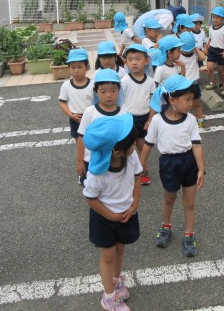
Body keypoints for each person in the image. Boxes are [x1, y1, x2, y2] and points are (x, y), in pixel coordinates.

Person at [139, 75, 205, 257]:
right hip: (168, 164)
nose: (191, 103)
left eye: (192, 99)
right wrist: (140, 168)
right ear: (172, 99)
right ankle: (166, 226)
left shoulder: (190, 120)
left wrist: (201, 168)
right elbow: (147, 146)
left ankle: (189, 233)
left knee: (189, 202)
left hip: (188, 162)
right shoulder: (158, 121)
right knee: (169, 198)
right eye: (187, 99)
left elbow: (197, 145)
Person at [82, 114, 142, 311]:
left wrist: (134, 205)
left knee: (121, 248)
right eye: (132, 142)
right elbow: (90, 197)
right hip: (104, 218)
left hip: (126, 213)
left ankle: (116, 280)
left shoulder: (130, 156)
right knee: (108, 254)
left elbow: (138, 176)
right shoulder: (98, 173)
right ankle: (108, 296)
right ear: (116, 151)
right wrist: (110, 215)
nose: (135, 144)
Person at [77, 69, 125, 186]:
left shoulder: (124, 113)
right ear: (96, 91)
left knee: (112, 190)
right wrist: (79, 161)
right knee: (93, 190)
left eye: (113, 91)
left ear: (119, 90)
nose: (109, 95)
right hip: (92, 160)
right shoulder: (90, 112)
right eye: (103, 92)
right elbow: (81, 137)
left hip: (115, 161)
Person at [121, 44, 156, 186]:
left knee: (142, 146)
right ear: (126, 62)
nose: (134, 62)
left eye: (138, 59)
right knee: (127, 147)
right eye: (130, 59)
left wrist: (150, 119)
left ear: (146, 60)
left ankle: (142, 170)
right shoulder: (125, 81)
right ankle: (125, 172)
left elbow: (153, 103)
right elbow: (119, 102)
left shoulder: (150, 82)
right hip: (128, 119)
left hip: (144, 118)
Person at [58, 48, 93, 141]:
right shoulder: (66, 85)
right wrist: (71, 115)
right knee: (79, 143)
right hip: (75, 118)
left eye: (80, 67)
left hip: (91, 117)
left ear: (87, 67)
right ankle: (81, 156)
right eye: (73, 67)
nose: (76, 71)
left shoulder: (93, 84)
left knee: (94, 142)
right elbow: (62, 103)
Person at [179, 32, 208, 128]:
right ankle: (184, 122)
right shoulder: (178, 55)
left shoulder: (194, 52)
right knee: (185, 105)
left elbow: (203, 57)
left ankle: (200, 120)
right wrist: (195, 47)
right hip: (183, 84)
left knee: (196, 104)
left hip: (194, 83)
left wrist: (195, 48)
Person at [205, 6, 224, 97]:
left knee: (220, 71)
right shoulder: (211, 28)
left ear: (223, 19)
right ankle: (213, 82)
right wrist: (207, 47)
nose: (215, 19)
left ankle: (221, 85)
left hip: (221, 51)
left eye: (217, 17)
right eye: (213, 17)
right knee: (210, 67)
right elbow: (210, 38)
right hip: (212, 50)